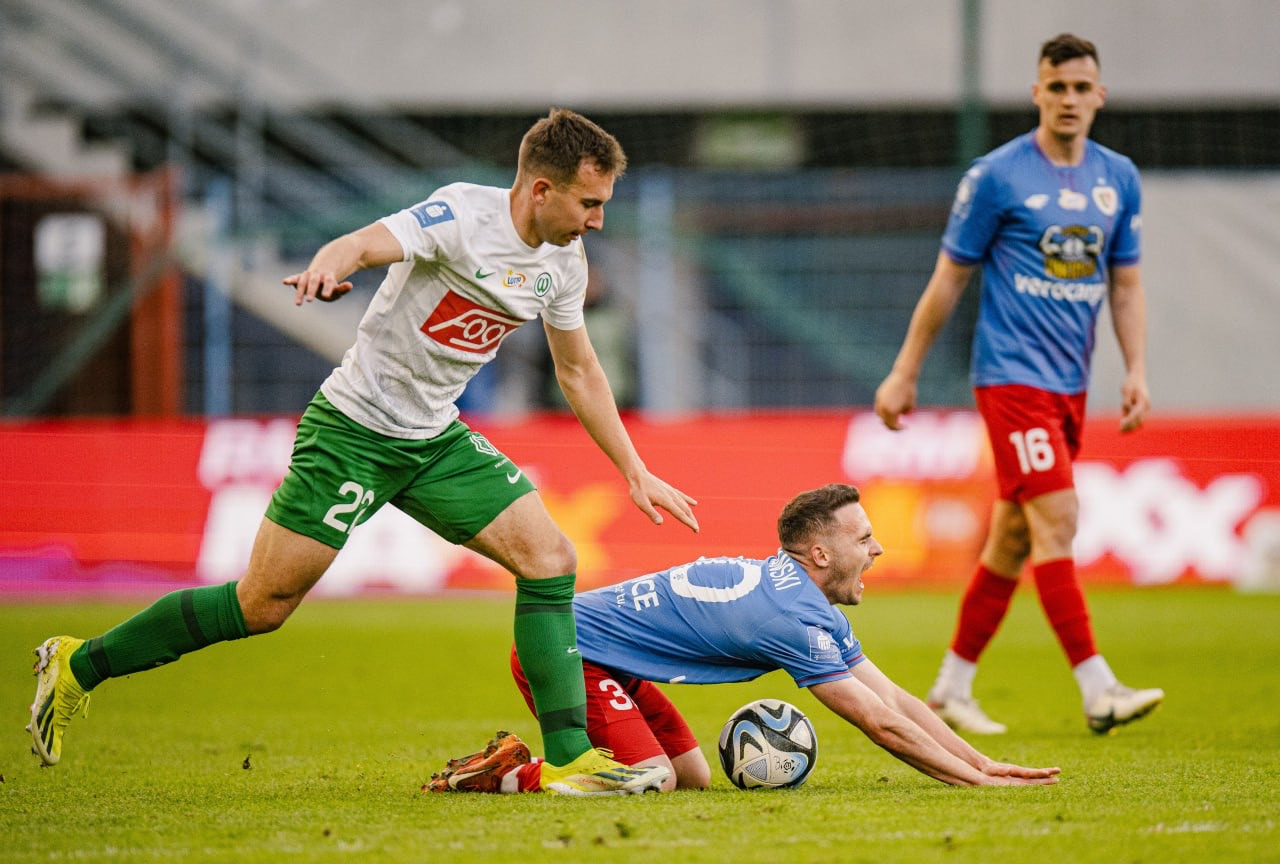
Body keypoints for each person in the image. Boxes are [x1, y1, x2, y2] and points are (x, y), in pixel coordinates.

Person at [27, 108, 699, 795]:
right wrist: (326, 268)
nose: (597, 221)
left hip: (434, 439)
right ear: (541, 189)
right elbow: (362, 243)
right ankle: (79, 664)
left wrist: (634, 469)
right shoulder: (462, 217)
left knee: (551, 559)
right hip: (352, 432)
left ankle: (569, 758)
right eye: (589, 203)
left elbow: (579, 370)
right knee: (262, 606)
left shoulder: (564, 263)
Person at [873, 34, 1163, 735]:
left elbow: (1125, 285)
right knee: (1058, 520)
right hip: (1010, 378)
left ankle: (950, 688)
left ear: (1100, 96)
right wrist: (905, 370)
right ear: (1037, 93)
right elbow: (949, 278)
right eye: (1056, 87)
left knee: (1010, 538)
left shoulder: (1118, 178)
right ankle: (1098, 688)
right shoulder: (996, 176)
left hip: (1069, 386)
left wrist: (1135, 368)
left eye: (1081, 87)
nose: (1068, 99)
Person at [425, 484, 1061, 793]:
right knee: (652, 778)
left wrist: (981, 761)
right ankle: (506, 773)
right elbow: (880, 725)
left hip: (610, 659)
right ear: (820, 554)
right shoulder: (787, 619)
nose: (878, 549)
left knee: (692, 777)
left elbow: (894, 700)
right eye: (865, 539)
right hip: (565, 651)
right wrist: (976, 786)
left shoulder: (805, 600)